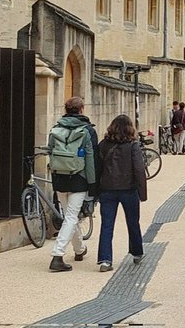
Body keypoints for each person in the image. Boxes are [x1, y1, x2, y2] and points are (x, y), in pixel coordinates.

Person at [46, 96, 99, 272]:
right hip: (79, 179)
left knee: (71, 216)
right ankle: (57, 255)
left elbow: (51, 152)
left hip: (59, 178)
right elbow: (91, 159)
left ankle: (79, 249)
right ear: (82, 109)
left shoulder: (55, 129)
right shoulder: (87, 131)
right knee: (70, 217)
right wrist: (93, 184)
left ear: (66, 109)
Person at [95, 114, 147, 272]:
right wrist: (142, 193)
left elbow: (98, 168)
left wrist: (96, 189)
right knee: (133, 222)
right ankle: (137, 252)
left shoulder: (103, 144)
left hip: (107, 189)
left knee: (107, 225)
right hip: (128, 190)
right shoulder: (133, 145)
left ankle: (105, 260)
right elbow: (139, 170)